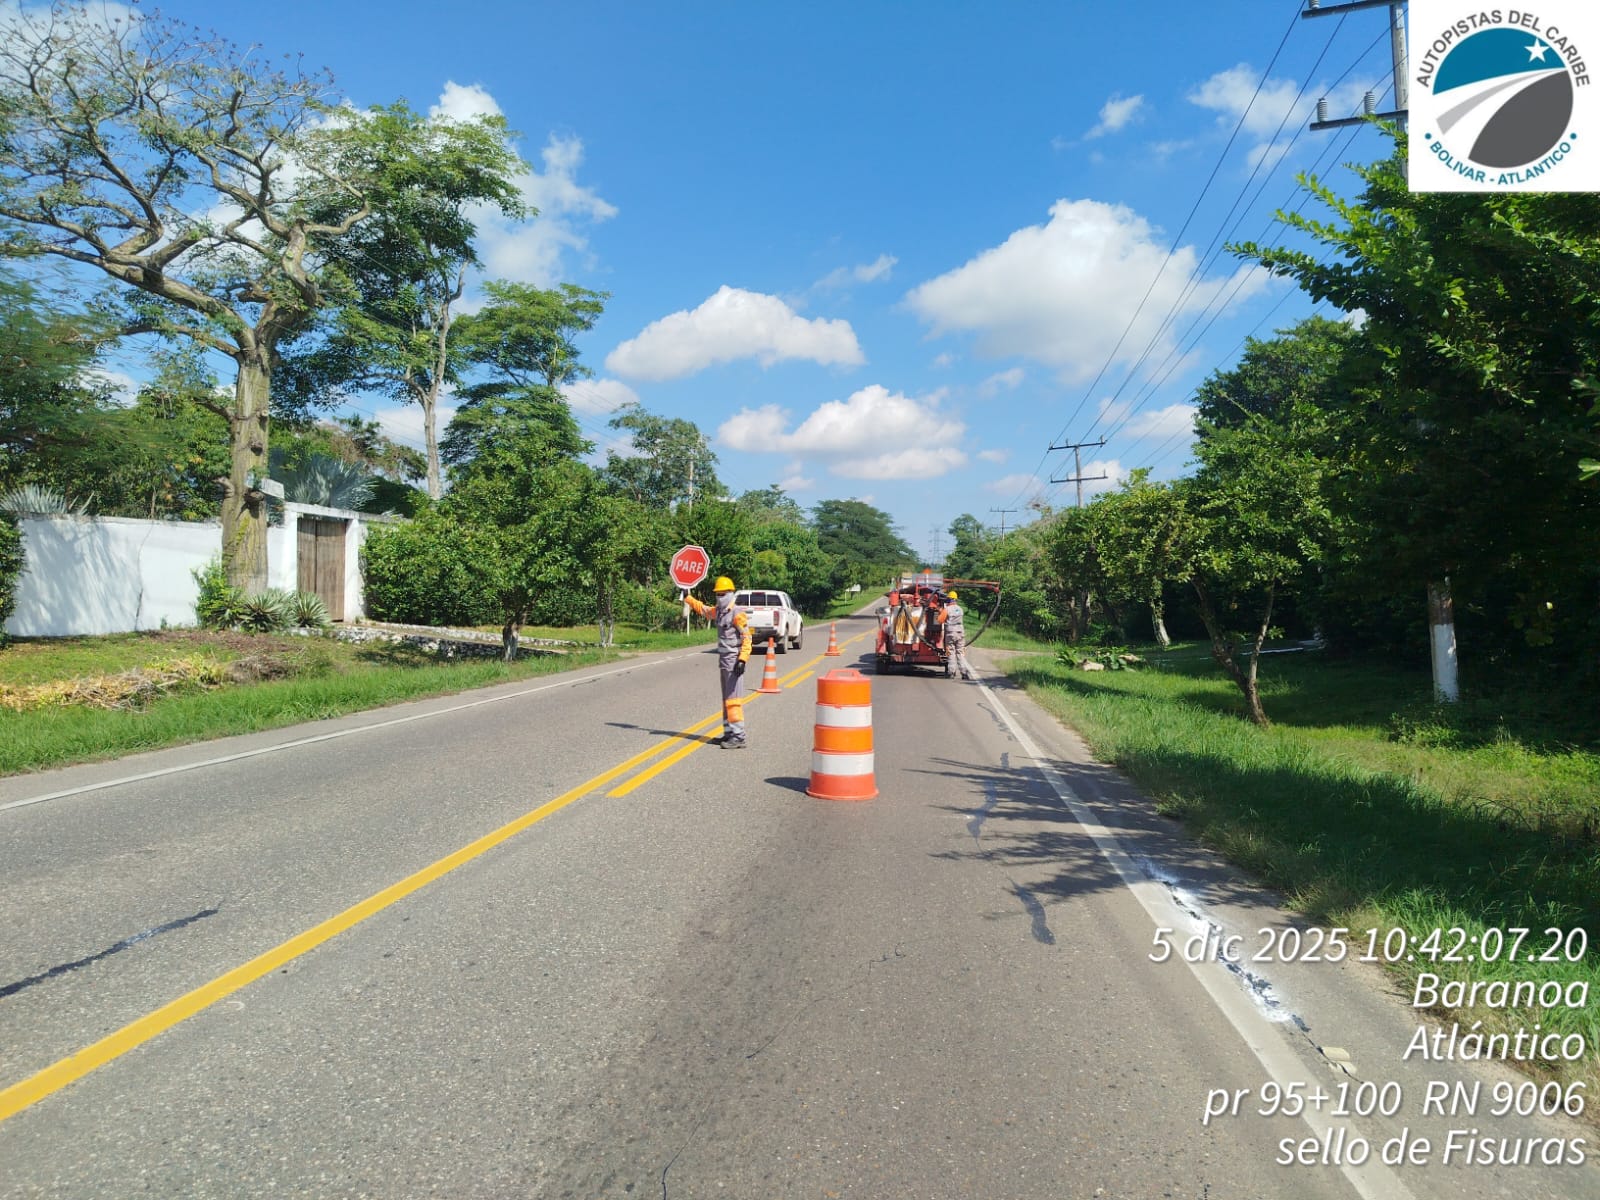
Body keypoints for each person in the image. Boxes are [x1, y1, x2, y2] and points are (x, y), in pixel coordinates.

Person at [683, 575, 753, 748]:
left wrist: (742, 660)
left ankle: (739, 736)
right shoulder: (719, 612)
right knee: (726, 700)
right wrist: (688, 598)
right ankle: (728, 733)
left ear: (731, 593)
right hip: (724, 663)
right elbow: (704, 610)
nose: (719, 597)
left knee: (733, 700)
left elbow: (747, 638)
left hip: (734, 663)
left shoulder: (737, 613)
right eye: (718, 594)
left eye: (723, 594)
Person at [939, 589, 977, 681]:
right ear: (955, 600)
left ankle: (951, 672)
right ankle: (964, 673)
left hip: (951, 633)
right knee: (960, 652)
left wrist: (940, 611)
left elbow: (940, 620)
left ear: (950, 599)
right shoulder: (960, 609)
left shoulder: (947, 609)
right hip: (960, 633)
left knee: (951, 652)